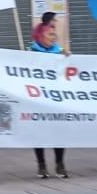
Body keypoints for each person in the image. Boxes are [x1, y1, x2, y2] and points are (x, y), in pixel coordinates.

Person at [29, 21, 69, 179]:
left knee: (59, 130)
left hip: (55, 98)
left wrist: (67, 58)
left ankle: (60, 163)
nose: (54, 37)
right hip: (37, 99)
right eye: (50, 34)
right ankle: (41, 164)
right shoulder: (31, 52)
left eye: (54, 34)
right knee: (39, 132)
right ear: (40, 35)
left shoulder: (60, 53)